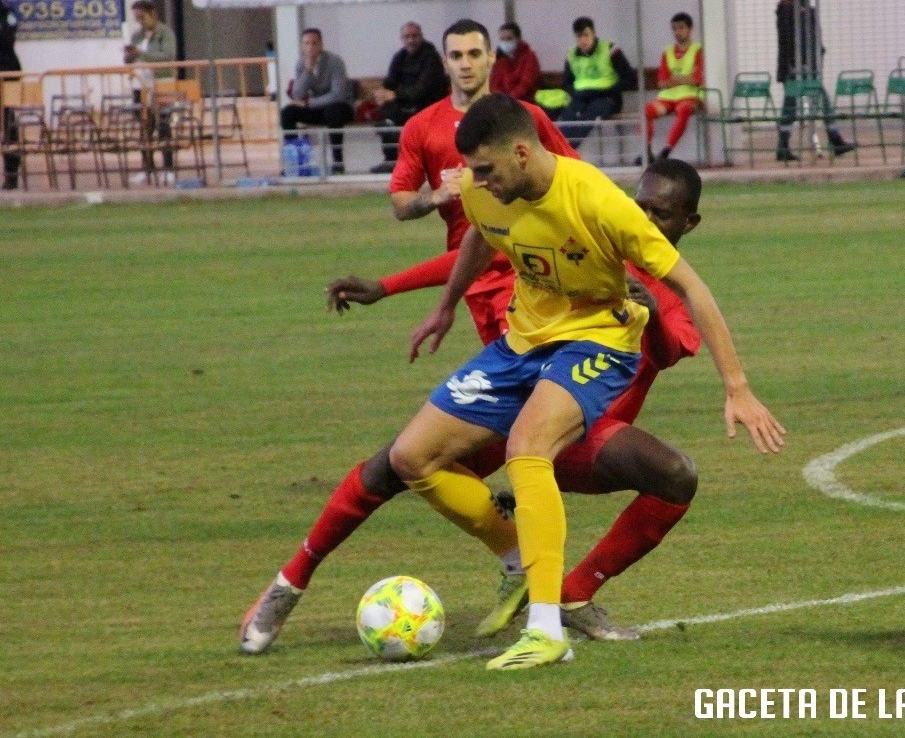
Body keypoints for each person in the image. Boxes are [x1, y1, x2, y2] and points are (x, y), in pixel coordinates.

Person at [241, 158, 711, 655]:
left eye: (659, 213)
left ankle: (574, 594)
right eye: (639, 205)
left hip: (586, 433)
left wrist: (653, 312)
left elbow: (666, 351)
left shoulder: (677, 293)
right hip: (517, 398)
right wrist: (388, 286)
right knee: (395, 462)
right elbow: (487, 245)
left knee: (675, 474)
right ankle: (288, 585)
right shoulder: (593, 239)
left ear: (688, 224)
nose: (644, 218)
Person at [387, 93, 784, 671]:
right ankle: (521, 559)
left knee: (527, 447)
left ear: (523, 153)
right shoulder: (481, 188)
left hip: (600, 341)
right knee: (410, 458)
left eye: (488, 170)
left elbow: (695, 291)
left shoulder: (599, 201)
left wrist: (738, 387)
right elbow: (479, 231)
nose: (477, 183)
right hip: (523, 342)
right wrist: (447, 308)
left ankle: (548, 629)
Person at [774, 0, 855, 162]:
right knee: (791, 105)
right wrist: (797, 62)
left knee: (819, 101)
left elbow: (813, 38)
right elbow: (791, 40)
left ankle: (834, 139)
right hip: (795, 68)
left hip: (809, 68)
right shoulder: (787, 10)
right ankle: (783, 146)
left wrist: (817, 55)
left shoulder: (807, 11)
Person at [371, 22, 449, 174]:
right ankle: (391, 160)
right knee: (386, 112)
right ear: (402, 38)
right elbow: (389, 82)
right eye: (407, 36)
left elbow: (422, 90)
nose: (411, 40)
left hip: (427, 105)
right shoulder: (400, 57)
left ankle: (411, 161)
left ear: (421, 36)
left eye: (414, 36)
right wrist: (381, 93)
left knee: (398, 118)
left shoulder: (431, 57)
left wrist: (395, 94)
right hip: (404, 105)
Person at [280, 29, 353, 175]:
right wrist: (307, 70)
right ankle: (295, 162)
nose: (310, 47)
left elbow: (337, 95)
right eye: (306, 43)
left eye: (314, 43)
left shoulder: (335, 62)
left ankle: (338, 163)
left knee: (334, 112)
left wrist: (308, 104)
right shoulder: (301, 63)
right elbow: (297, 94)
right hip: (318, 108)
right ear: (302, 46)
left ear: (321, 45)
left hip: (340, 106)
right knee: (287, 113)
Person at [558, 16, 638, 149]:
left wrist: (605, 91)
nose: (583, 40)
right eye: (579, 36)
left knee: (589, 116)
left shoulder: (610, 50)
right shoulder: (571, 55)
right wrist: (577, 93)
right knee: (568, 116)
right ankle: (558, 148)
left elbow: (630, 79)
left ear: (593, 33)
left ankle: (567, 150)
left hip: (607, 97)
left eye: (586, 35)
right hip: (581, 97)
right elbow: (567, 83)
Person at [123, 0, 176, 186]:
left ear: (152, 14)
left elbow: (167, 56)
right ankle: (148, 169)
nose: (139, 21)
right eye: (136, 17)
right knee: (144, 129)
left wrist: (141, 54)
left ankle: (169, 169)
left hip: (161, 82)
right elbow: (132, 56)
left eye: (141, 16)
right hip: (141, 85)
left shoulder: (164, 33)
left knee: (163, 126)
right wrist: (129, 55)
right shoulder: (137, 35)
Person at [642, 12, 703, 164]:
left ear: (690, 29)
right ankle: (647, 151)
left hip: (690, 96)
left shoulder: (698, 50)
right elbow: (662, 82)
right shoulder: (668, 51)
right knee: (646, 111)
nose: (677, 32)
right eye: (674, 28)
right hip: (667, 98)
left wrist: (674, 79)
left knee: (684, 110)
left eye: (681, 28)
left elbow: (697, 79)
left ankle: (666, 151)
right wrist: (684, 79)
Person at [490, 21, 540, 102]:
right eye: (502, 39)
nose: (505, 42)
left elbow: (526, 84)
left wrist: (510, 100)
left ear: (518, 39)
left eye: (509, 39)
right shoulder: (499, 60)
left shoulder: (529, 56)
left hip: (526, 102)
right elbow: (495, 84)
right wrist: (500, 101)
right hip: (503, 103)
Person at [1, 1, 21, 190]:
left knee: (9, 124)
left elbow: (7, 40)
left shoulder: (7, 14)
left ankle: (12, 173)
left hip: (7, 74)